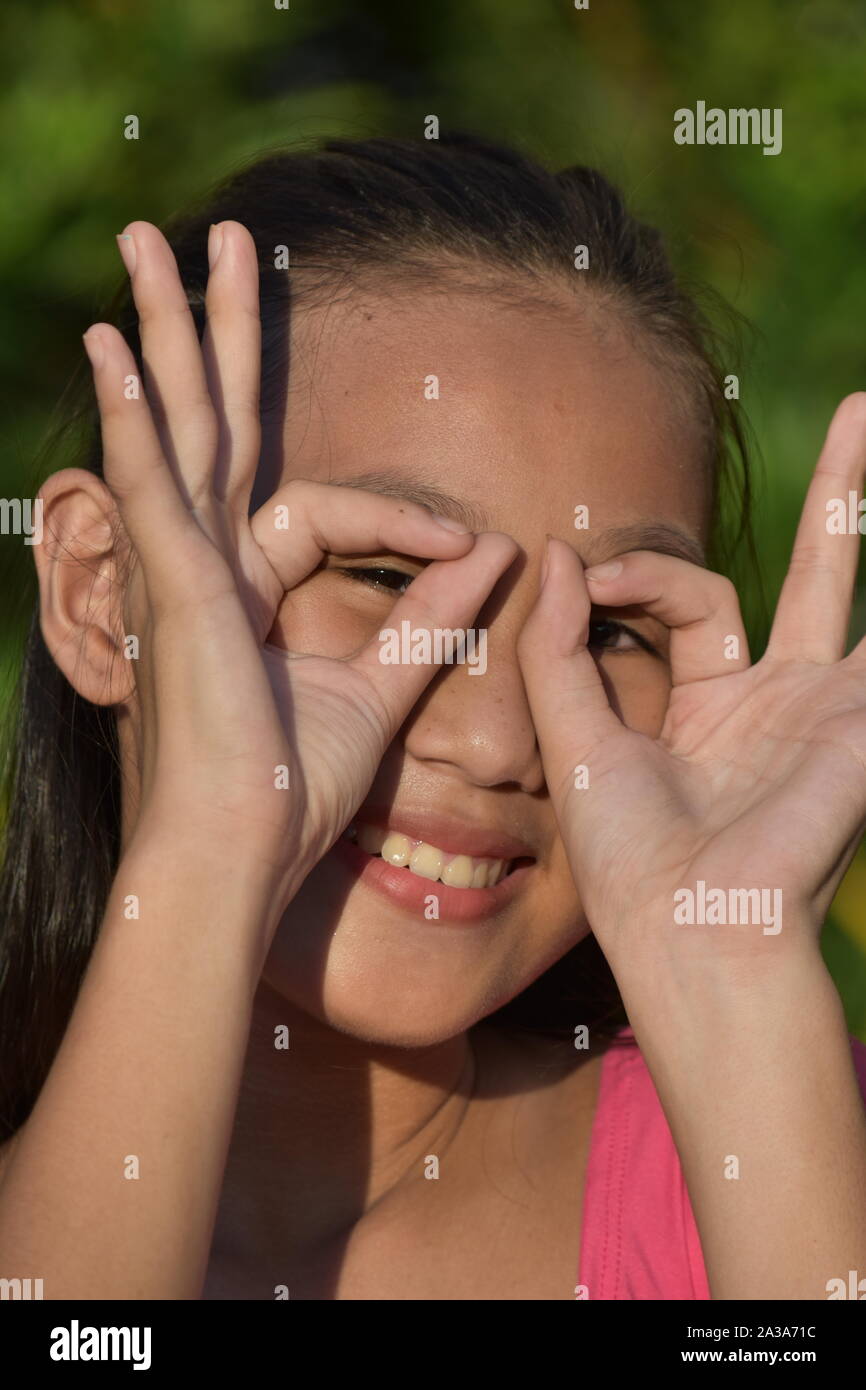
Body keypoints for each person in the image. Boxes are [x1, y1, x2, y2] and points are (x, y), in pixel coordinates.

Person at [1, 133, 865, 1300]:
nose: (500, 738)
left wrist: (739, 994)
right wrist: (209, 847)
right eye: (387, 578)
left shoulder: (797, 1147)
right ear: (102, 596)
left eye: (608, 632)